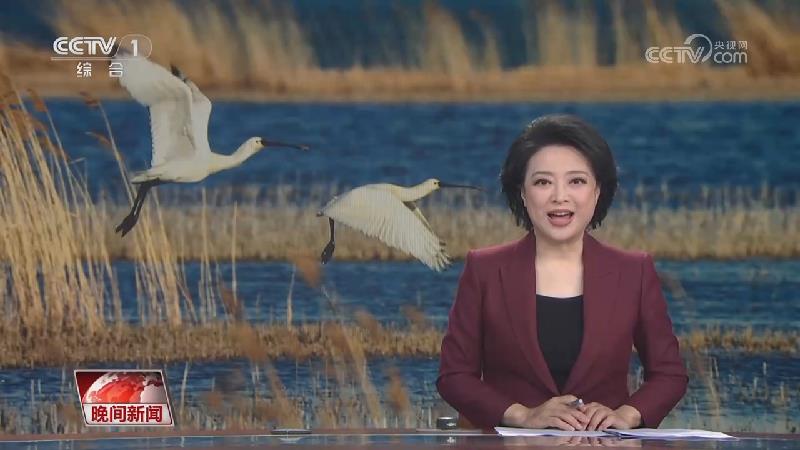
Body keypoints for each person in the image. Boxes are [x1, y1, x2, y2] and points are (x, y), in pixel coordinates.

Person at [436, 114, 688, 431]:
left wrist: (627, 415)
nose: (559, 196)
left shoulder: (633, 271)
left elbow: (669, 374)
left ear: (598, 190)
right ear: (522, 192)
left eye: (576, 181)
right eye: (543, 182)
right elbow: (454, 376)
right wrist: (522, 415)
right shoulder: (485, 269)